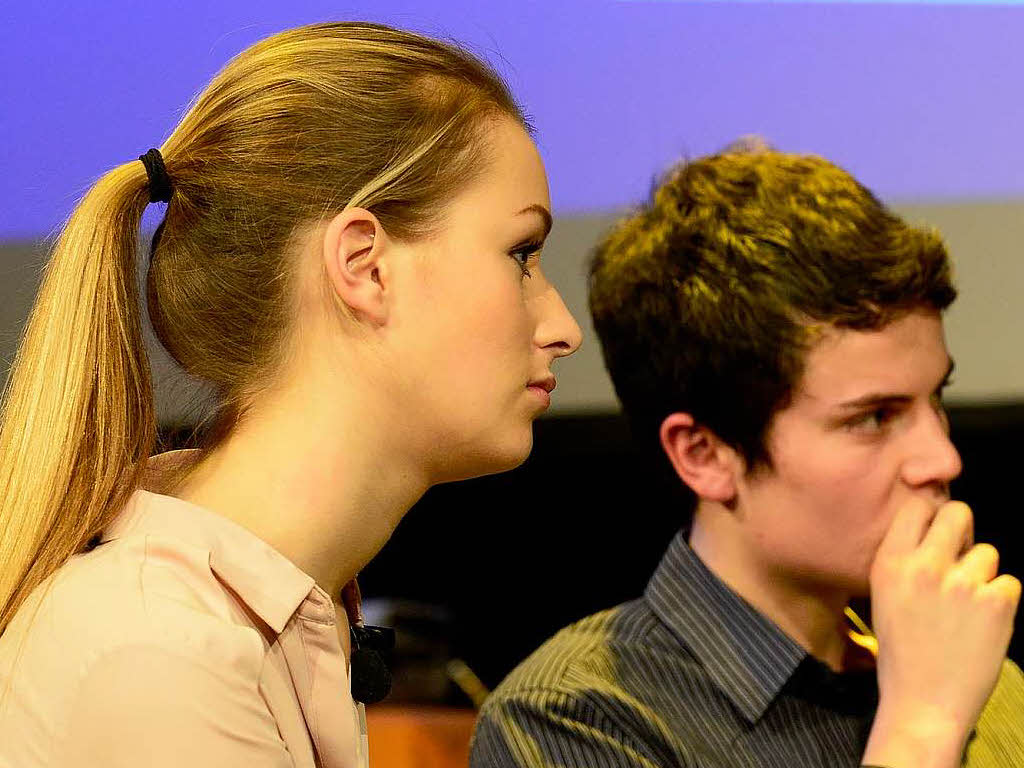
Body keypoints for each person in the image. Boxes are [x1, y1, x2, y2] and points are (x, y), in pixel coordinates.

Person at [0, 22, 581, 768]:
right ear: (365, 266)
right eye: (521, 255)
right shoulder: (155, 651)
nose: (563, 327)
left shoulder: (254, 618)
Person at [470, 148, 1024, 767]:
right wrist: (922, 730)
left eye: (936, 398)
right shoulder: (574, 719)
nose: (941, 458)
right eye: (874, 418)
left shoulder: (985, 683)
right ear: (705, 455)